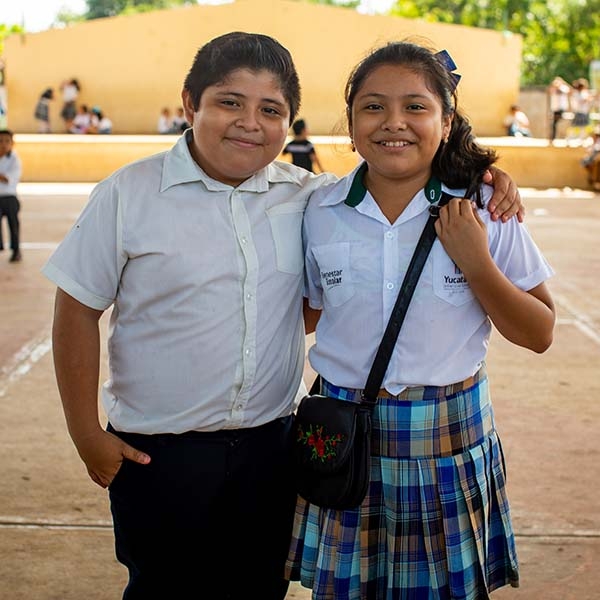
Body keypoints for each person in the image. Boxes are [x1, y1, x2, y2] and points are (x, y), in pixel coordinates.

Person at [42, 32, 522, 600]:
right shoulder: (129, 195)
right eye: (229, 102)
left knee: (259, 586)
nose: (249, 123)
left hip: (273, 448)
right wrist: (84, 432)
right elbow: (76, 307)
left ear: (290, 122)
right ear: (190, 104)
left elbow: (347, 256)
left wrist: (484, 178)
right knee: (162, 585)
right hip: (159, 453)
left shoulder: (308, 198)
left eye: (270, 110)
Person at [285, 41, 556, 599]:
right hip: (346, 439)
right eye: (373, 107)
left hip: (447, 445)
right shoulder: (318, 210)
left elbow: (539, 332)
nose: (394, 124)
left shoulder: (484, 210)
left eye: (415, 107)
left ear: (446, 119)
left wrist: (476, 262)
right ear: (352, 121)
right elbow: (305, 315)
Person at [0, 129, 23, 262]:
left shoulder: (15, 160)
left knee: (13, 223)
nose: (3, 144)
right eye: (0, 141)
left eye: (7, 141)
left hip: (9, 196)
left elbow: (8, 179)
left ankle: (16, 250)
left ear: (12, 143)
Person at [548, 76, 571, 142]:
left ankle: (554, 137)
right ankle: (553, 137)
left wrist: (561, 85)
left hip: (561, 108)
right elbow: (550, 91)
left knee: (556, 123)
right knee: (554, 124)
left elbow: (568, 91)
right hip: (555, 108)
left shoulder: (563, 88)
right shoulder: (553, 88)